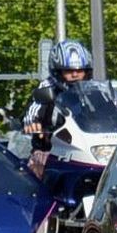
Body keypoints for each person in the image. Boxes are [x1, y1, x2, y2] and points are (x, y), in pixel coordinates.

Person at [21, 39, 95, 179]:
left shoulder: (94, 90)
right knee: (37, 171)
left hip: (84, 149)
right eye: (69, 71)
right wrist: (33, 124)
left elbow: (107, 111)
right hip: (51, 150)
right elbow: (32, 112)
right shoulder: (46, 88)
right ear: (57, 71)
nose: (75, 75)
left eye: (80, 70)